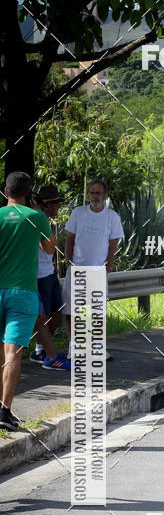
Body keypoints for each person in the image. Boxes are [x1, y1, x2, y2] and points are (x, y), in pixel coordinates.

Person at [0, 171, 55, 430]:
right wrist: (36, 212)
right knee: (13, 353)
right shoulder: (36, 217)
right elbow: (49, 248)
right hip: (23, 293)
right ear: (30, 193)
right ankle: (4, 412)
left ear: (5, 192)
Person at [63, 178, 123, 361]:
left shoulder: (112, 217)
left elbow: (114, 244)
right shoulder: (78, 213)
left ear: (105, 196)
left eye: (98, 193)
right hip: (77, 269)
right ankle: (74, 347)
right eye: (92, 193)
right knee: (72, 310)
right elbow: (70, 239)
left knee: (97, 310)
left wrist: (108, 266)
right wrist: (68, 263)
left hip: (98, 270)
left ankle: (98, 346)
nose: (94, 196)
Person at [30, 185, 70, 370]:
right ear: (46, 205)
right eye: (54, 204)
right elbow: (49, 247)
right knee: (42, 315)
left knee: (58, 309)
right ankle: (40, 350)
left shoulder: (45, 220)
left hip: (50, 272)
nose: (57, 208)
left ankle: (44, 348)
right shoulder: (35, 220)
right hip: (38, 275)